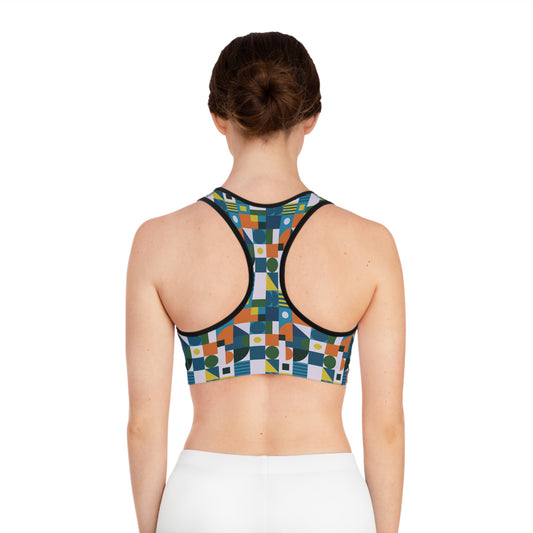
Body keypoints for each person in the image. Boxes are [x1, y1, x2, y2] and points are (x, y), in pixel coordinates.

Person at [126, 31, 405, 533]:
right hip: (328, 499)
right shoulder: (370, 244)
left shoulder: (159, 241)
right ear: (311, 118)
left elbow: (143, 425)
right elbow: (385, 427)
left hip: (205, 496)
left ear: (219, 117)